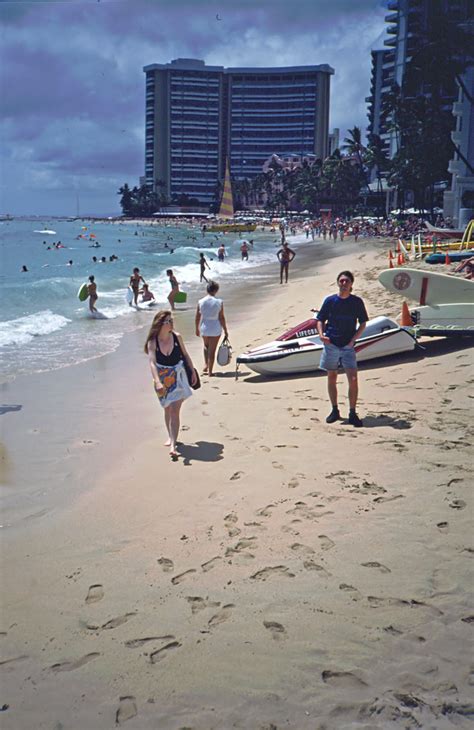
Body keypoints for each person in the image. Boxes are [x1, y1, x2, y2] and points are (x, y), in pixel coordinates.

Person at [316, 271, 369, 427]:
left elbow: (363, 323)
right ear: (338, 283)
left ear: (351, 284)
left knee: (353, 379)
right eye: (341, 281)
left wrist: (353, 340)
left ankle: (352, 413)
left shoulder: (356, 302)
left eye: (347, 281)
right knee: (331, 378)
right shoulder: (330, 301)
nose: (344, 283)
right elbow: (320, 320)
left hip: (347, 346)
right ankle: (334, 410)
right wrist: (321, 335)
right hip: (331, 344)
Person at [145, 310, 197, 459]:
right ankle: (170, 435)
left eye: (171, 320)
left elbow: (185, 354)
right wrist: (157, 381)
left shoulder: (176, 337)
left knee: (175, 410)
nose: (171, 323)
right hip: (161, 377)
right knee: (167, 408)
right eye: (167, 321)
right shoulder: (153, 342)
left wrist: (192, 371)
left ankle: (173, 444)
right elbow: (152, 363)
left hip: (178, 376)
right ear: (160, 324)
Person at [195, 280, 228, 377]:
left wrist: (197, 328)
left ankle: (206, 365)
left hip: (204, 327)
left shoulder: (200, 302)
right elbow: (221, 317)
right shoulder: (219, 302)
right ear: (216, 290)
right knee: (212, 351)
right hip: (215, 327)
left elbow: (197, 317)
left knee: (206, 346)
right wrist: (225, 330)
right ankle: (210, 371)